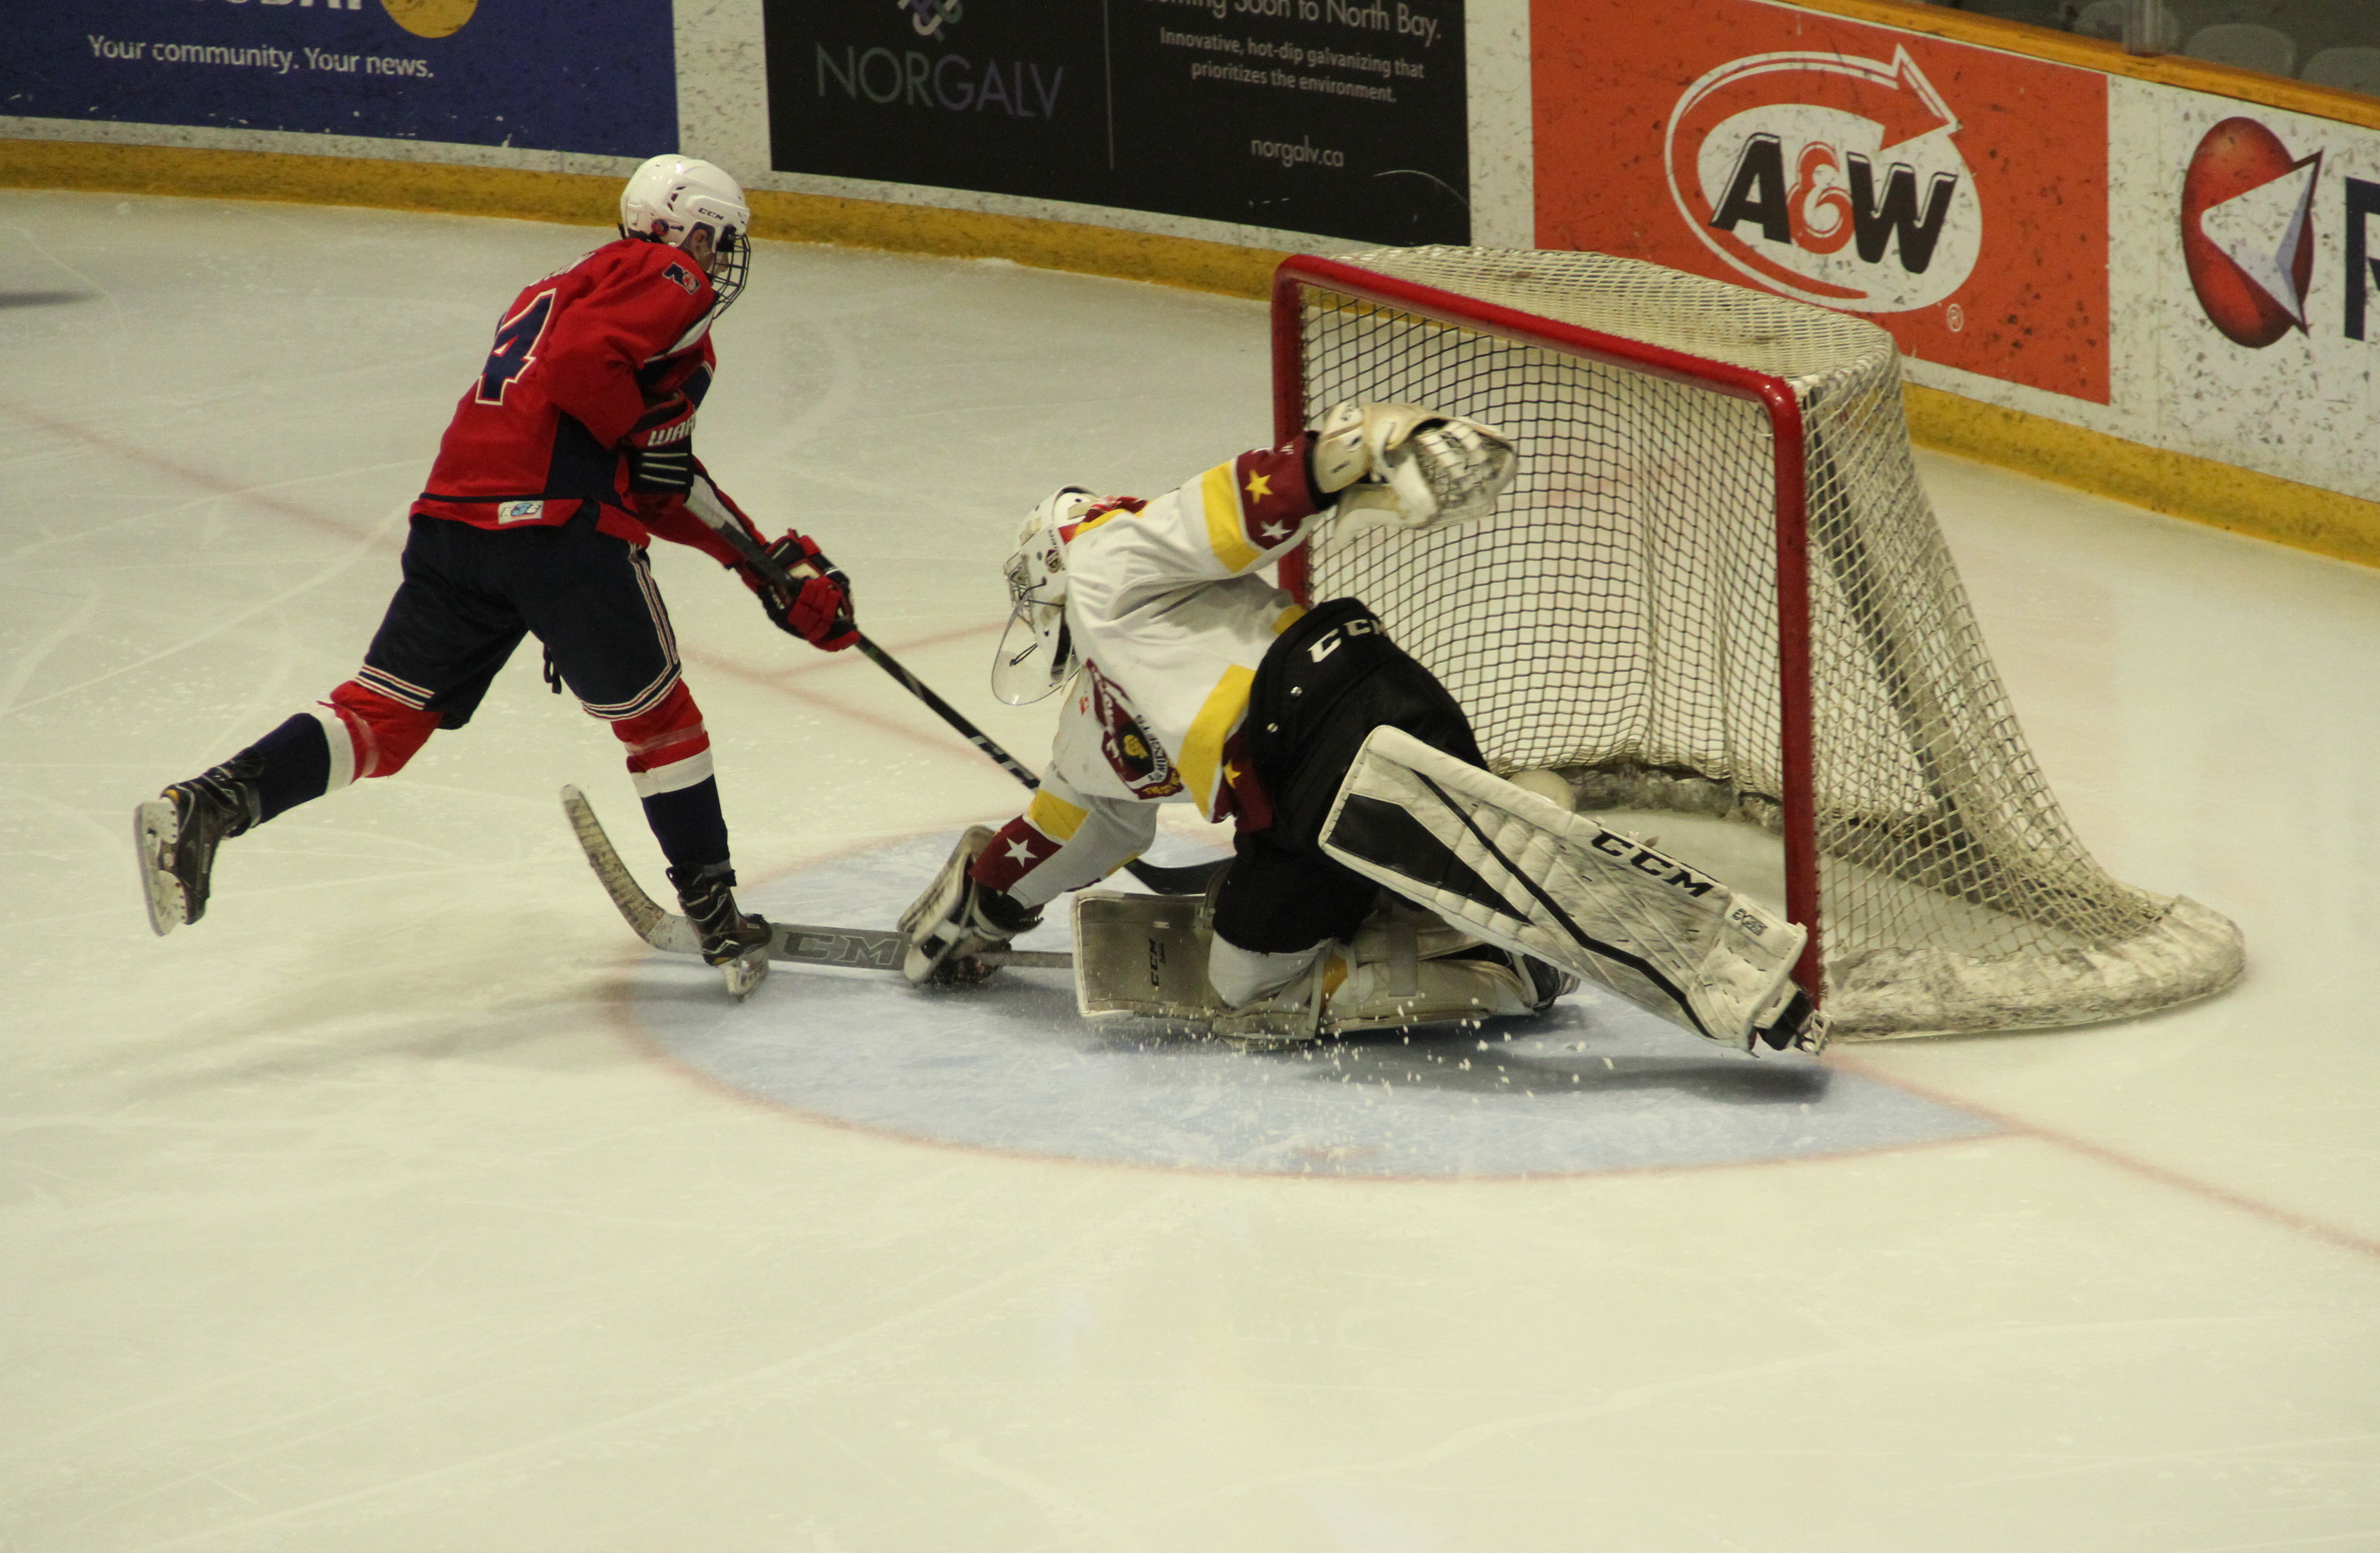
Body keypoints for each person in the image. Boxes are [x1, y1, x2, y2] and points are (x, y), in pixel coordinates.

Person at [894, 402, 1826, 1055]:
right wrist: (984, 905)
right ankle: (1477, 854)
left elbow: (1233, 505)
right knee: (1481, 872)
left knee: (1249, 993)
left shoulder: (1102, 554)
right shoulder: (1108, 700)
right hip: (1371, 697)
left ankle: (1505, 964)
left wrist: (1362, 450)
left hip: (1314, 747)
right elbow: (1077, 823)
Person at [133, 155, 857, 995]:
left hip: (456, 522)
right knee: (662, 723)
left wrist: (762, 566)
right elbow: (587, 378)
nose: (719, 262)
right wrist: (648, 439)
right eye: (718, 239)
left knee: (383, 718)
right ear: (683, 226)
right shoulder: (665, 274)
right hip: (556, 530)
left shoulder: (560, 289)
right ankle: (715, 911)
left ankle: (210, 806)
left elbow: (656, 476)